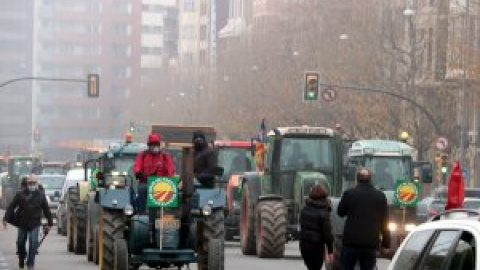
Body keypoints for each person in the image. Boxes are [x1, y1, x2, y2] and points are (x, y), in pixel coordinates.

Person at [337, 168, 390, 270]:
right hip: (370, 242)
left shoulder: (349, 194)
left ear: (357, 180)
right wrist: (386, 244)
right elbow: (385, 222)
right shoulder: (380, 196)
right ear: (370, 180)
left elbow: (340, 212)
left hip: (351, 242)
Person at [2, 176, 53, 270]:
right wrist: (5, 218)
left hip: (35, 223)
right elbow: (11, 207)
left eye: (34, 183)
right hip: (22, 223)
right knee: (20, 243)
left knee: (34, 243)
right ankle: (21, 258)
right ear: (27, 184)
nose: (32, 185)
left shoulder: (41, 195)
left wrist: (50, 223)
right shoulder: (20, 194)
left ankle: (30, 264)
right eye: (30, 183)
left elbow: (46, 210)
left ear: (37, 184)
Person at [133, 132, 175, 213]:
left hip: (162, 183)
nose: (154, 146)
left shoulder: (165, 156)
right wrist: (139, 173)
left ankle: (166, 212)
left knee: (170, 193)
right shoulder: (143, 155)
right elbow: (137, 166)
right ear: (149, 145)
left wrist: (170, 177)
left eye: (156, 144)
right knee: (142, 190)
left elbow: (170, 168)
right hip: (146, 181)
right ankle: (141, 212)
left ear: (159, 145)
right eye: (152, 144)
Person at [299, 183, 334, 270]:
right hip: (317, 246)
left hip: (304, 245)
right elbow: (327, 234)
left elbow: (302, 227)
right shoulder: (324, 213)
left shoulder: (304, 210)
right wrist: (330, 250)